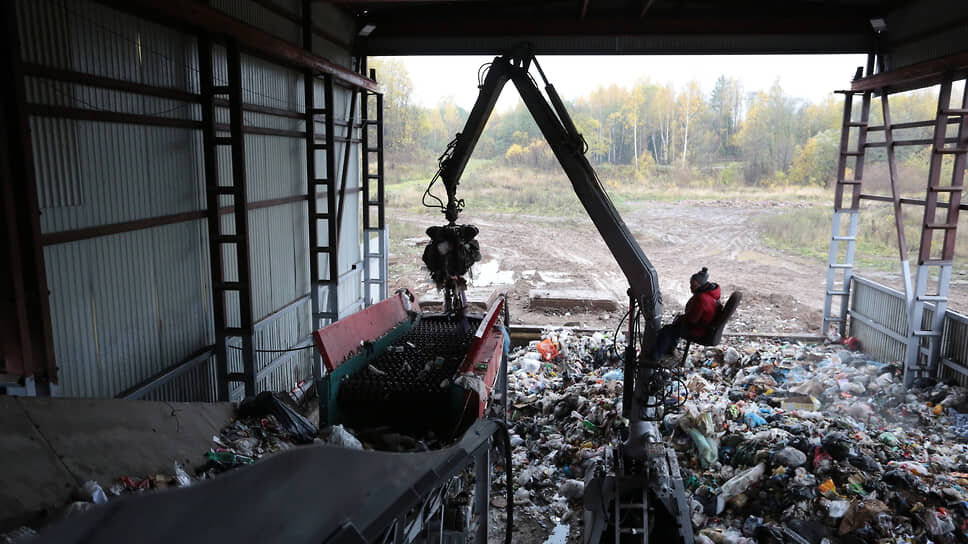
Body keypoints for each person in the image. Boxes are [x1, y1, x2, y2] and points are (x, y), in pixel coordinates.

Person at [653, 267, 722, 361]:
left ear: (700, 284)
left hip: (700, 330)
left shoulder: (702, 299)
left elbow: (693, 319)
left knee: (667, 330)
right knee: (675, 327)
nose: (690, 287)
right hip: (706, 327)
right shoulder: (711, 294)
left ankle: (656, 356)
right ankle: (670, 349)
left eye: (693, 285)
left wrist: (681, 318)